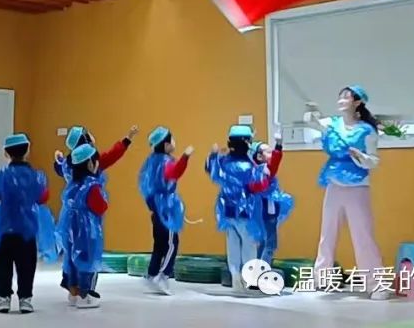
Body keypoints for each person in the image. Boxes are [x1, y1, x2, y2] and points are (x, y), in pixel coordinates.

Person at [305, 85, 388, 300]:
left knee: (363, 236)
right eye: (340, 97)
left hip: (357, 187)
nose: (341, 100)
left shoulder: (367, 131)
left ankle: (377, 284)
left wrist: (361, 157)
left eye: (346, 97)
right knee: (327, 234)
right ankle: (321, 279)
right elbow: (312, 122)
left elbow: (374, 161)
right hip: (334, 185)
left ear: (357, 102)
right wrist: (312, 111)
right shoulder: (332, 124)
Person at [52, 124, 138, 299]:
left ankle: (72, 287)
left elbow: (59, 166)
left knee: (71, 252)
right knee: (88, 254)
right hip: (87, 220)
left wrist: (58, 159)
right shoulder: (92, 172)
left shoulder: (70, 164)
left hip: (68, 217)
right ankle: (86, 292)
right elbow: (112, 155)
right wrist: (127, 140)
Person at [0, 133, 56, 314]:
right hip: (27, 229)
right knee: (27, 265)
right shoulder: (36, 176)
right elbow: (42, 197)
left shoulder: (1, 175)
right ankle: (25, 299)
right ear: (27, 150)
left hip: (6, 228)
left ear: (5, 153)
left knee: (2, 264)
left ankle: (3, 298)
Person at [205, 125, 271, 291]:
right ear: (247, 143)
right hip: (245, 211)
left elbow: (211, 170)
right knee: (249, 243)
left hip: (226, 209)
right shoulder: (249, 167)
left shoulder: (224, 162)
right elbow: (259, 184)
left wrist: (213, 155)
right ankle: (247, 277)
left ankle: (235, 274)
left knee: (232, 243)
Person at [137, 127, 192, 295]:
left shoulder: (150, 161)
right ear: (166, 144)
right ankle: (163, 275)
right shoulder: (166, 161)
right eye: (172, 139)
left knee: (159, 244)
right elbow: (174, 172)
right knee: (171, 244)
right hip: (166, 209)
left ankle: (152, 274)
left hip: (155, 208)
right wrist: (185, 157)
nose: (174, 142)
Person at [59, 144, 107, 309]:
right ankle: (85, 295)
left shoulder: (72, 184)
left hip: (71, 229)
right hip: (87, 231)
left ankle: (73, 292)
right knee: (88, 260)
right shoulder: (92, 186)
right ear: (90, 164)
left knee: (72, 260)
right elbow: (100, 207)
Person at [250, 134, 292, 265]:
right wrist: (278, 146)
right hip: (268, 211)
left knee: (262, 241)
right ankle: (263, 270)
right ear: (259, 157)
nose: (271, 154)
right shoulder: (266, 170)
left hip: (258, 212)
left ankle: (256, 268)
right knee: (270, 244)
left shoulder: (252, 171)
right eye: (268, 152)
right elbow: (275, 161)